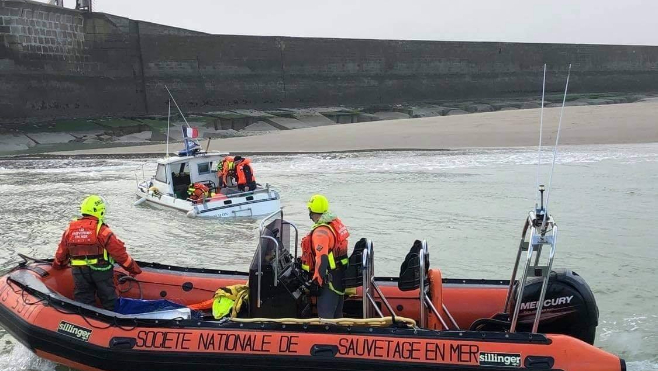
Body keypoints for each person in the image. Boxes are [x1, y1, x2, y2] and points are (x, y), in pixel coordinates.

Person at [53, 195, 142, 311]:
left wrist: (57, 266)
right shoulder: (102, 230)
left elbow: (61, 254)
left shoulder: (70, 230)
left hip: (79, 272)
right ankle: (112, 323)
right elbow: (120, 255)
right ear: (100, 211)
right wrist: (134, 269)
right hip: (101, 271)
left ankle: (84, 322)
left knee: (83, 298)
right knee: (108, 298)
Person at [300, 194, 350, 318]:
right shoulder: (333, 225)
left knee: (326, 318)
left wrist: (316, 282)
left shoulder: (320, 233)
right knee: (337, 315)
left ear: (312, 211)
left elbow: (322, 259)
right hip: (339, 277)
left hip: (329, 282)